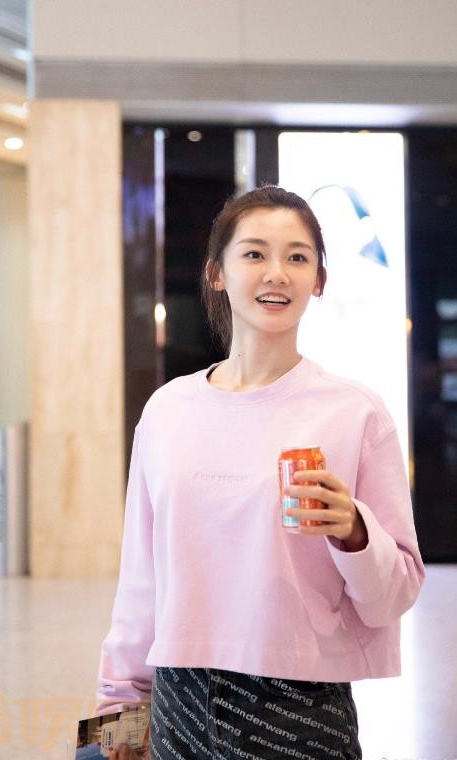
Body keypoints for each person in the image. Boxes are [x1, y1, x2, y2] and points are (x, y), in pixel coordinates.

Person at [97, 186, 425, 760]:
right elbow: (140, 581)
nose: (277, 273)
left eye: (297, 257)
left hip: (300, 708)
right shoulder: (167, 411)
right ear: (216, 273)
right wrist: (114, 716)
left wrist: (355, 531)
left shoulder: (356, 414)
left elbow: (392, 598)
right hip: (178, 702)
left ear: (319, 280)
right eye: (254, 253)